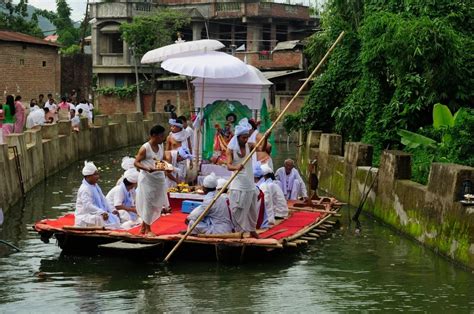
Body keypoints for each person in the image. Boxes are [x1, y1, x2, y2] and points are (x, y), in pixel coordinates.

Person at [134, 125, 170, 236]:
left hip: (159, 178)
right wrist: (146, 168)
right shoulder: (145, 148)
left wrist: (167, 166)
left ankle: (143, 228)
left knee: (156, 203)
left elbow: (162, 159)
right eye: (161, 136)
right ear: (154, 135)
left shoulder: (161, 145)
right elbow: (136, 162)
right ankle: (148, 229)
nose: (162, 138)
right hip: (147, 179)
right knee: (148, 203)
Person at [226, 118, 260, 238]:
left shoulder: (249, 146)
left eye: (247, 137)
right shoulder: (230, 149)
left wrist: (265, 138)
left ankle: (252, 230)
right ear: (238, 137)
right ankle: (238, 232)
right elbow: (228, 166)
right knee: (238, 210)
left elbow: (262, 148)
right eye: (243, 138)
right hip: (238, 185)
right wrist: (236, 167)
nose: (245, 140)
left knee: (252, 210)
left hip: (250, 184)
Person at [75, 161, 121, 228]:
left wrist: (111, 210)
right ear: (88, 176)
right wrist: (102, 212)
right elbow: (88, 206)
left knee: (114, 216)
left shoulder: (95, 186)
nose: (98, 177)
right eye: (95, 175)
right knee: (99, 218)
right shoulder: (84, 189)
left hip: (96, 212)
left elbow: (103, 199)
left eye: (97, 174)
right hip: (84, 216)